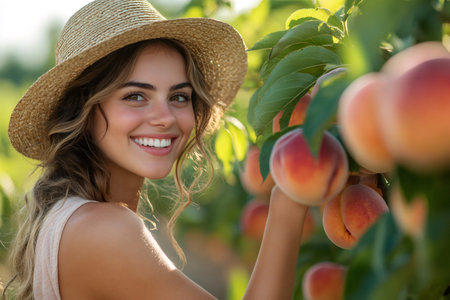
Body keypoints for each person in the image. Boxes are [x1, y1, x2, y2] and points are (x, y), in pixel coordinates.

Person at [5, 0, 309, 299]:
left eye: (179, 97)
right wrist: (289, 201)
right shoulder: (104, 229)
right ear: (83, 112)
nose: (165, 118)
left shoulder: (72, 218)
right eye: (136, 96)